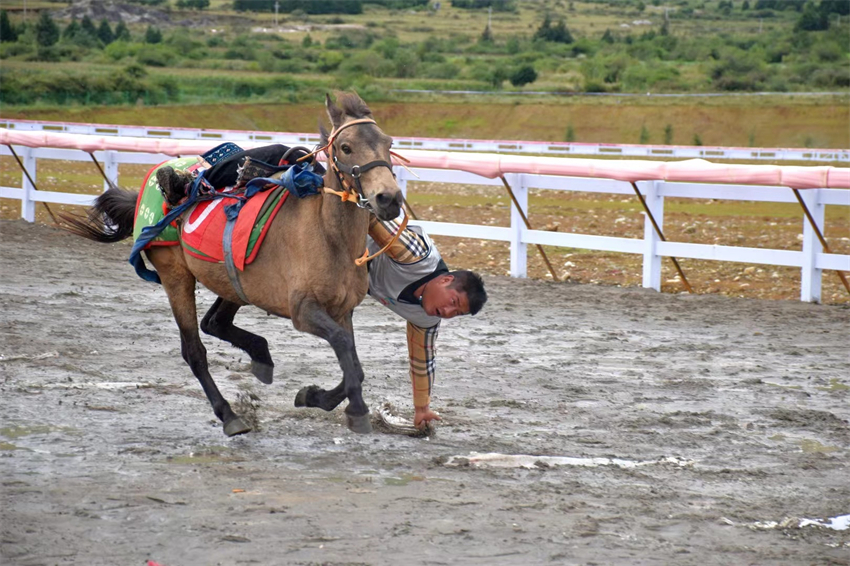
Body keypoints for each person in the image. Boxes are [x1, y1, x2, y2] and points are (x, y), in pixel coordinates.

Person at [366, 215, 487, 429]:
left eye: (456, 313)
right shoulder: (415, 256)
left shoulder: (426, 318)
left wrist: (422, 409)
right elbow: (370, 216)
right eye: (453, 301)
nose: (448, 312)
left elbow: (423, 362)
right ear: (445, 280)